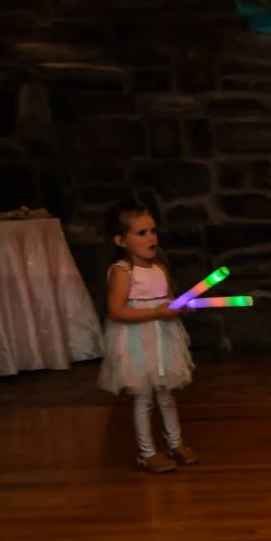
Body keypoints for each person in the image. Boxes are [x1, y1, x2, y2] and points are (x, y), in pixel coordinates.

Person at [99, 200, 196, 474]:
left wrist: (179, 307)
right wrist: (156, 312)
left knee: (166, 394)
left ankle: (175, 443)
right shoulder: (122, 272)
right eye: (141, 233)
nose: (151, 237)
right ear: (121, 240)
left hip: (162, 339)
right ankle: (147, 452)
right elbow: (116, 311)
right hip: (137, 343)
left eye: (153, 231)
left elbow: (168, 302)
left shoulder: (159, 269)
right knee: (143, 398)